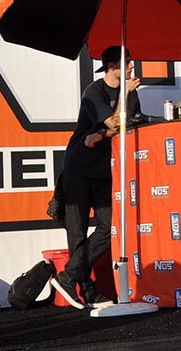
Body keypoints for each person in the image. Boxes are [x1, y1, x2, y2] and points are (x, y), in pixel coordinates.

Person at [50, 45, 142, 309]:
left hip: (104, 171)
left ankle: (67, 277)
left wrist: (101, 134)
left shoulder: (130, 92)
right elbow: (114, 122)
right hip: (78, 169)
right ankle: (87, 291)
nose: (132, 67)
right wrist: (121, 103)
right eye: (127, 63)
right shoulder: (94, 91)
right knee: (76, 234)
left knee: (109, 227)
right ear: (112, 67)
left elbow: (127, 125)